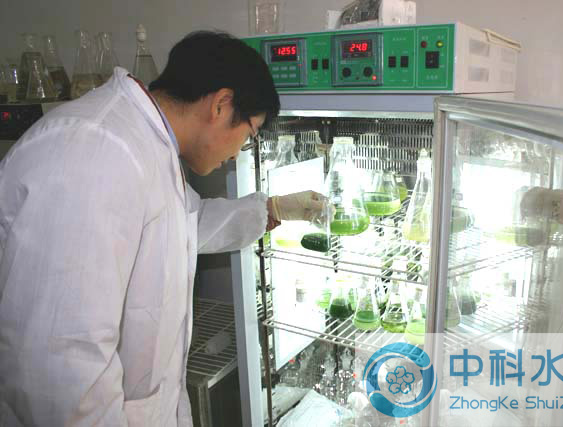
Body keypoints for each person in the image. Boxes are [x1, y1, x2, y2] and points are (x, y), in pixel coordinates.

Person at [0, 31, 324, 426]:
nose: (238, 152)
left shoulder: (147, 145)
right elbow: (61, 364)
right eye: (248, 135)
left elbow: (182, 225)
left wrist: (272, 209)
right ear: (221, 105)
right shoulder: (91, 151)